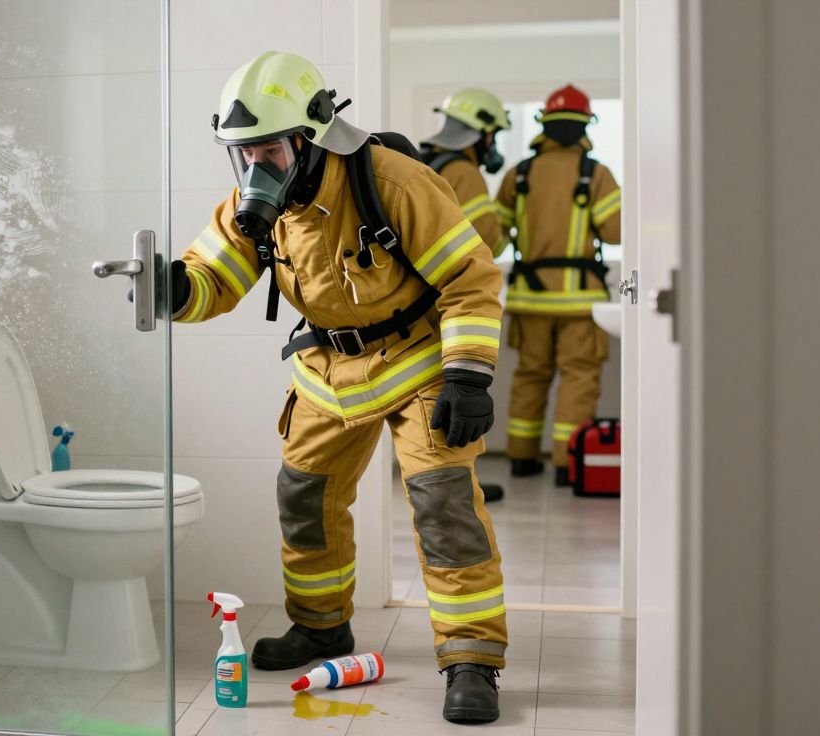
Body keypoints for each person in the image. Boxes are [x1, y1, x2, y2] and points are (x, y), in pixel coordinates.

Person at [169, 50, 509, 724]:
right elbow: (213, 278)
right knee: (304, 498)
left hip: (417, 363)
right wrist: (174, 289)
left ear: (311, 135)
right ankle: (322, 627)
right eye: (242, 154)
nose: (255, 168)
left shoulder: (397, 183)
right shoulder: (257, 204)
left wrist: (468, 377)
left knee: (444, 508)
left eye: (267, 150)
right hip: (329, 369)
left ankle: (472, 657)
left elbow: (470, 282)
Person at [493, 84, 622, 485]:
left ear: (543, 124)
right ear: (586, 124)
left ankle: (521, 458)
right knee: (578, 378)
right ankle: (569, 464)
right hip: (580, 304)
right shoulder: (595, 173)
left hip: (530, 300)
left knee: (531, 376)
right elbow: (616, 232)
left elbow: (495, 234)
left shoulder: (520, 174)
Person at [419, 87, 513, 502]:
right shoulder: (465, 171)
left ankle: (449, 485)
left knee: (436, 400)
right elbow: (486, 239)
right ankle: (462, 486)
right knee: (462, 397)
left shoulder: (420, 163)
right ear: (482, 134)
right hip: (452, 300)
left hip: (418, 302)